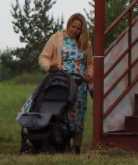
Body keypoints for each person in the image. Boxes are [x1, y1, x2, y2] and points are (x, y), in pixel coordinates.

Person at [25, 13, 91, 142]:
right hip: (62, 82)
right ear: (68, 24)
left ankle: (77, 146)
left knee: (78, 114)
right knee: (61, 110)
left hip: (79, 84)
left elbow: (91, 63)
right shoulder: (56, 38)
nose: (75, 30)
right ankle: (59, 140)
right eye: (73, 27)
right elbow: (43, 57)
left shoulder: (86, 44)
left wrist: (90, 73)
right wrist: (50, 67)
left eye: (78, 29)